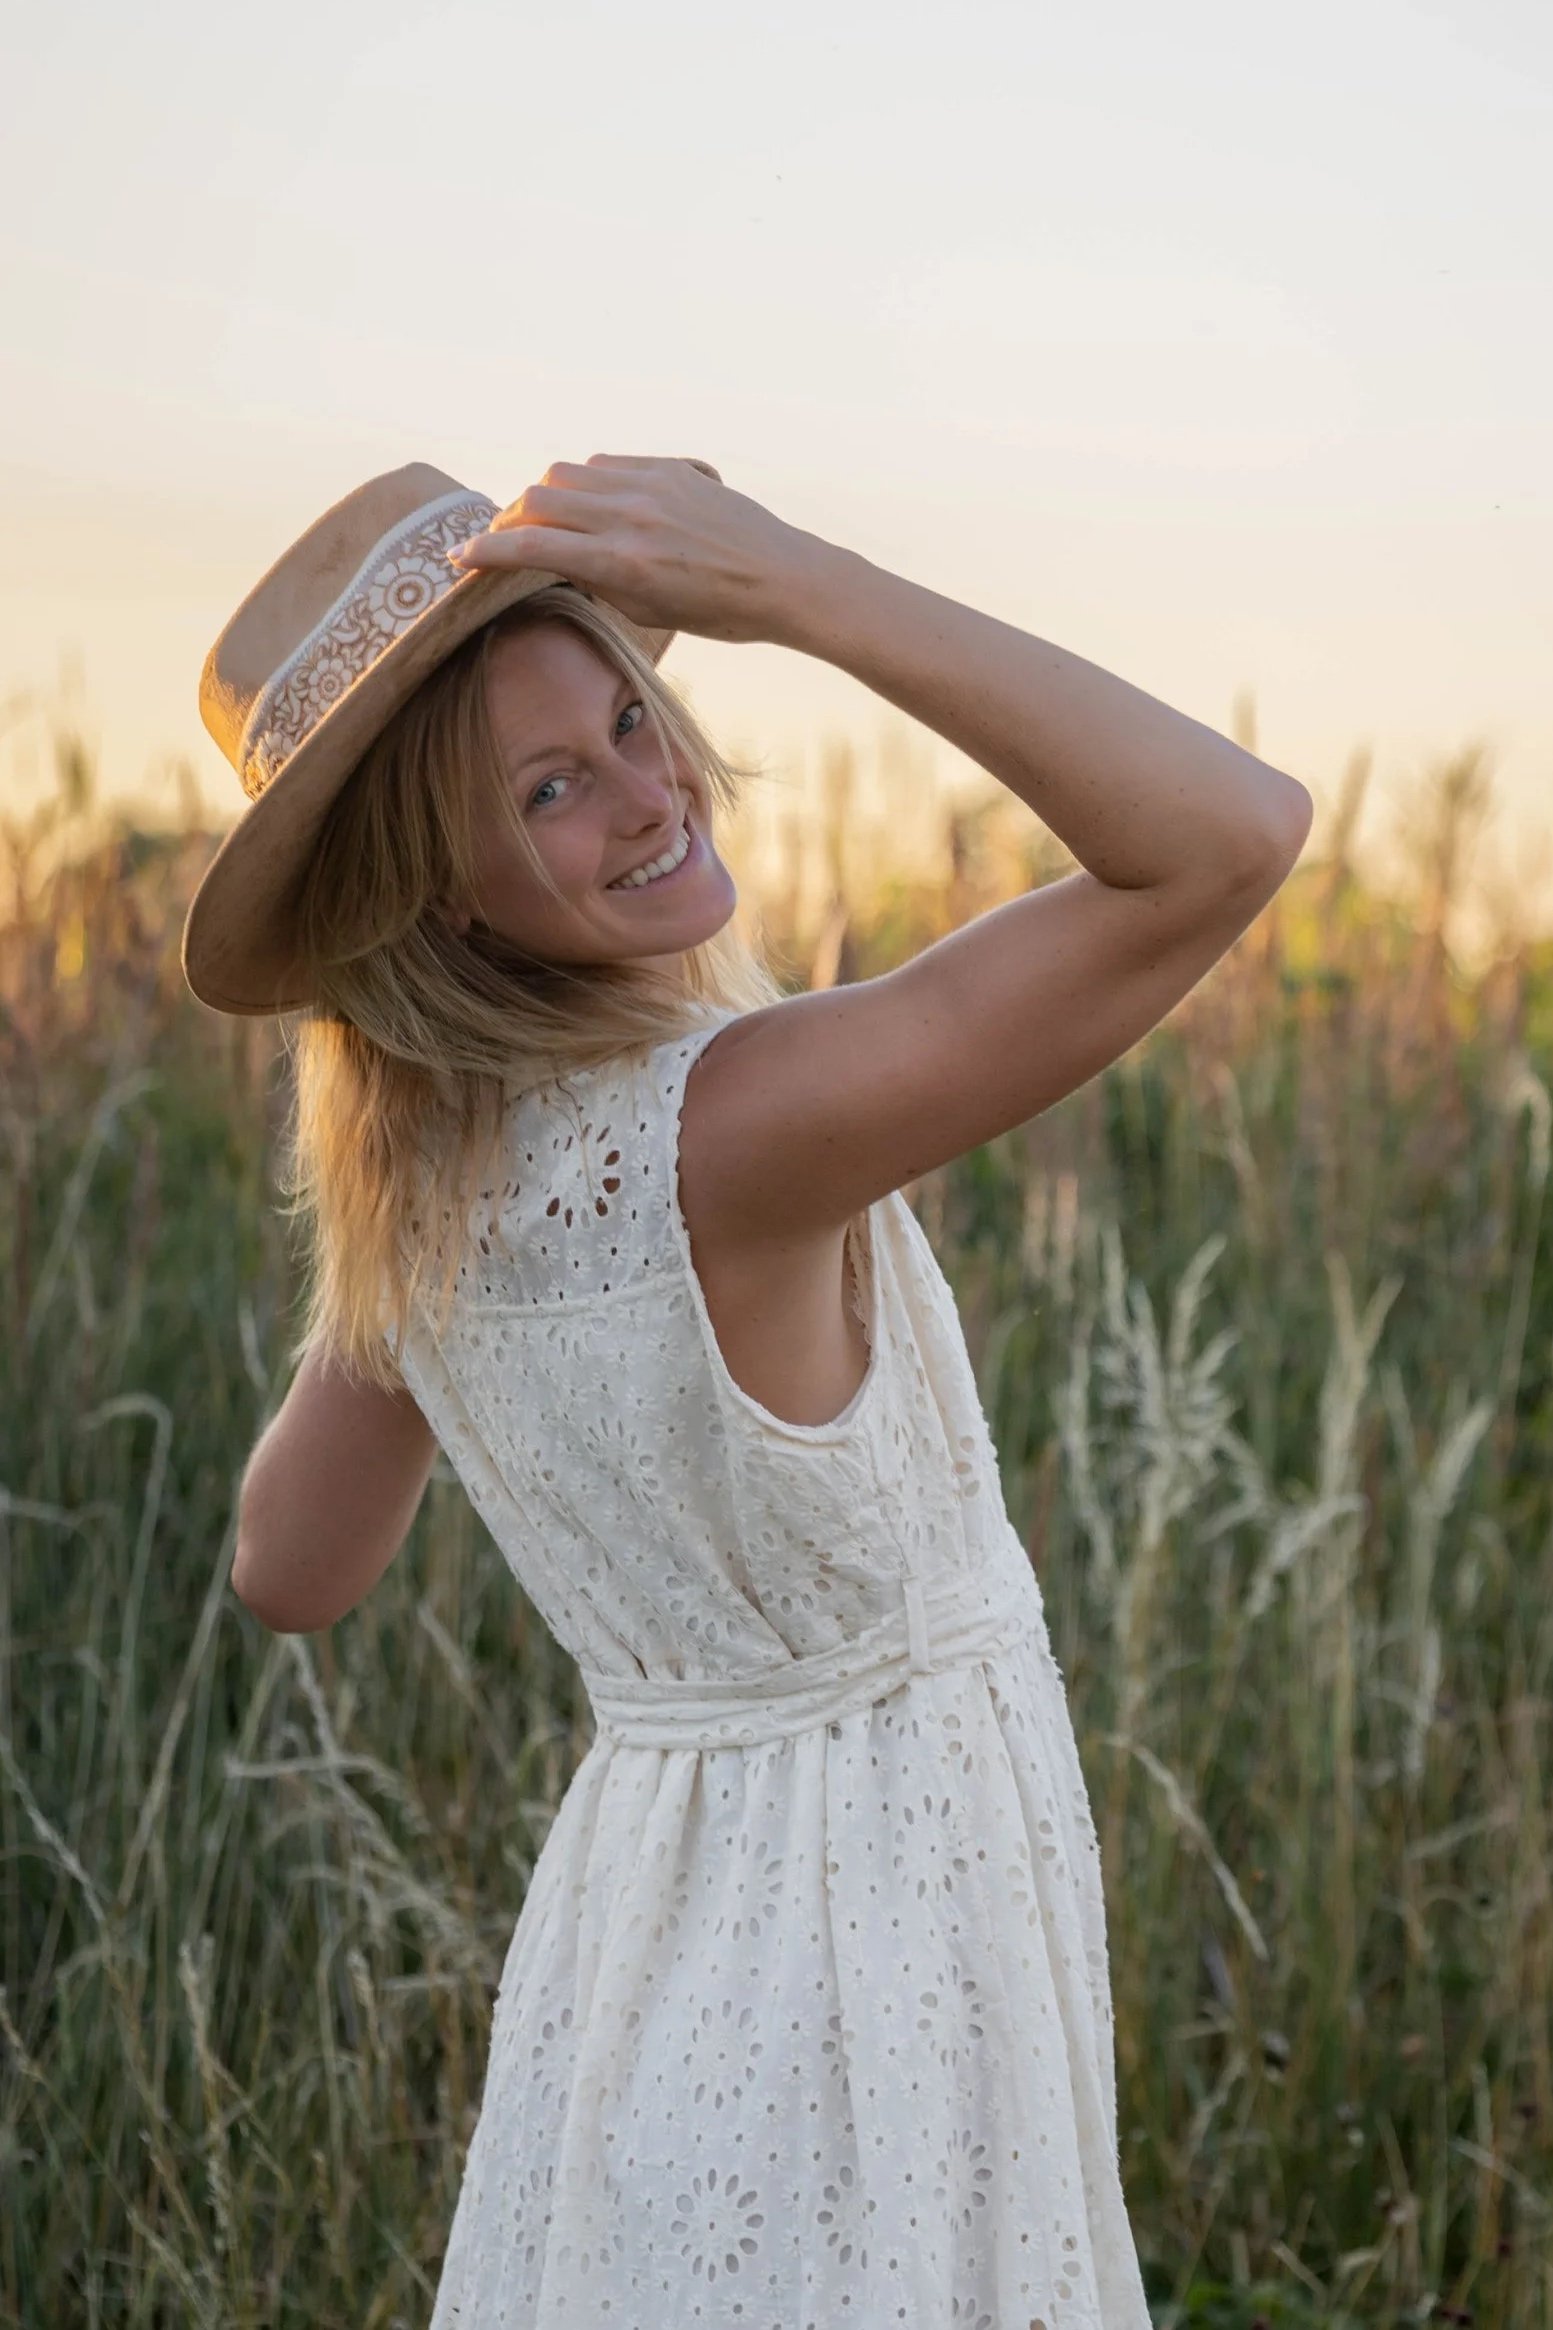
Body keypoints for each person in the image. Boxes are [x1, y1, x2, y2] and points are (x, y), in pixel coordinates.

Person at [190, 452, 1310, 2327]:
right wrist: (804, 582)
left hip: (641, 1942)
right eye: (552, 788)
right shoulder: (738, 1123)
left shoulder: (445, 1196)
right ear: (434, 902)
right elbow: (1230, 832)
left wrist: (393, 1235)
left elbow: (286, 1568)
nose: (651, 790)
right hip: (883, 1932)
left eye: (631, 715)